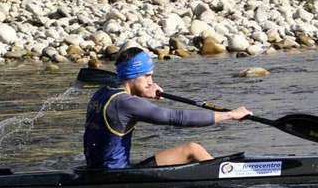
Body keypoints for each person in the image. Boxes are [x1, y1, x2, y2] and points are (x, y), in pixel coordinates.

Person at [84, 47, 251, 169]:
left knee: (192, 149)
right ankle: (226, 182)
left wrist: (141, 92)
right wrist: (230, 115)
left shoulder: (103, 93)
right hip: (116, 175)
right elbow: (176, 117)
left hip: (96, 170)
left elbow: (124, 106)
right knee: (193, 150)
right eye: (147, 75)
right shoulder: (126, 103)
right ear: (132, 75)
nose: (151, 81)